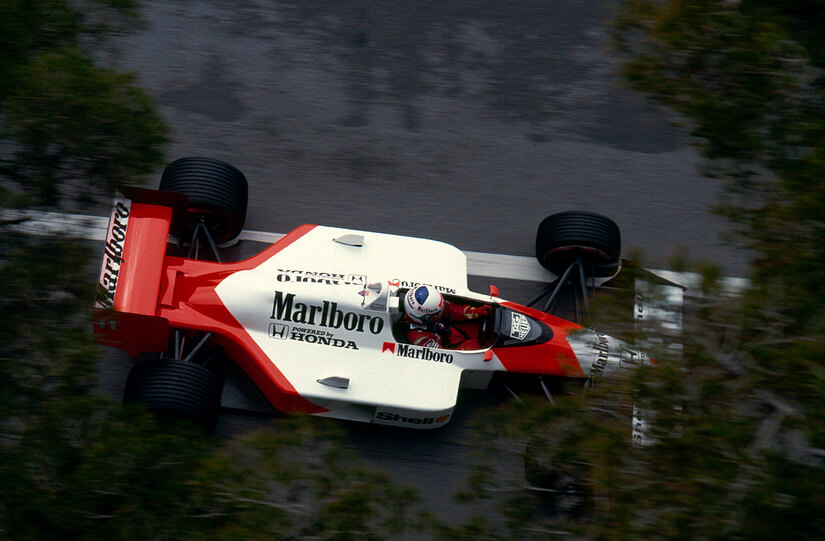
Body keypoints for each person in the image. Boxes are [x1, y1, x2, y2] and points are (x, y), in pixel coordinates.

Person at [401, 285, 492, 349]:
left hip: (458, 328)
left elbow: (454, 310)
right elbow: (443, 354)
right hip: (455, 346)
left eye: (441, 310)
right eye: (435, 315)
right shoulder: (419, 337)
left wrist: (475, 312)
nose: (440, 314)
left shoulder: (434, 307)